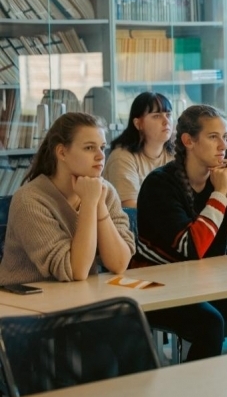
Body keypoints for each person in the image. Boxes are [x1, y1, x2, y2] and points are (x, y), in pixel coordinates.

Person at [134, 104, 227, 361]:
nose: (223, 145)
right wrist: (219, 194)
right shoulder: (160, 185)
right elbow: (191, 248)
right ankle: (200, 394)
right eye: (213, 137)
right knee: (210, 324)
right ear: (188, 141)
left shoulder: (220, 181)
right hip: (162, 288)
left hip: (208, 285)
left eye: (224, 137)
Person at [0, 113, 134, 286]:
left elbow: (119, 263)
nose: (101, 156)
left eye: (102, 147)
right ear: (62, 152)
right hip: (25, 305)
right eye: (89, 148)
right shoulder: (29, 200)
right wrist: (90, 203)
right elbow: (75, 270)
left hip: (78, 298)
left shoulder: (104, 191)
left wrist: (98, 203)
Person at [103, 92, 175, 207]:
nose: (166, 121)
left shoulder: (176, 154)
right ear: (138, 124)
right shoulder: (122, 157)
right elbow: (130, 207)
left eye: (168, 115)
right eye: (156, 116)